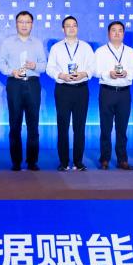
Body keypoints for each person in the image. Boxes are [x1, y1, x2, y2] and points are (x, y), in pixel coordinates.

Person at [0, 10, 47, 171]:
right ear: (16, 24)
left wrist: (35, 66)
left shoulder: (37, 43)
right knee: (15, 124)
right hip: (15, 84)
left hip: (32, 84)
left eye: (27, 22)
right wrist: (11, 71)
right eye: (21, 22)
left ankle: (32, 161)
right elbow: (0, 63)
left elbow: (44, 65)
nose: (24, 25)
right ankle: (16, 162)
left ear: (32, 24)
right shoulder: (8, 42)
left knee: (33, 125)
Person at [46, 15, 96, 171]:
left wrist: (84, 74)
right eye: (68, 26)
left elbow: (92, 66)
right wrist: (61, 75)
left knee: (79, 127)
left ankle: (78, 162)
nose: (71, 28)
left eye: (74, 25)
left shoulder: (86, 47)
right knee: (63, 127)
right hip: (63, 90)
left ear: (77, 28)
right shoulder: (56, 48)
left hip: (81, 89)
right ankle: (63, 162)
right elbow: (49, 68)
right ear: (63, 29)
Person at [94, 20, 133, 170]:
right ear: (108, 33)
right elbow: (94, 71)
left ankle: (122, 160)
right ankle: (104, 159)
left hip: (124, 93)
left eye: (120, 30)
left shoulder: (130, 52)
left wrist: (128, 73)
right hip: (107, 91)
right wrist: (108, 74)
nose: (117, 33)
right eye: (113, 30)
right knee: (105, 128)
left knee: (122, 129)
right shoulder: (100, 51)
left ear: (123, 34)